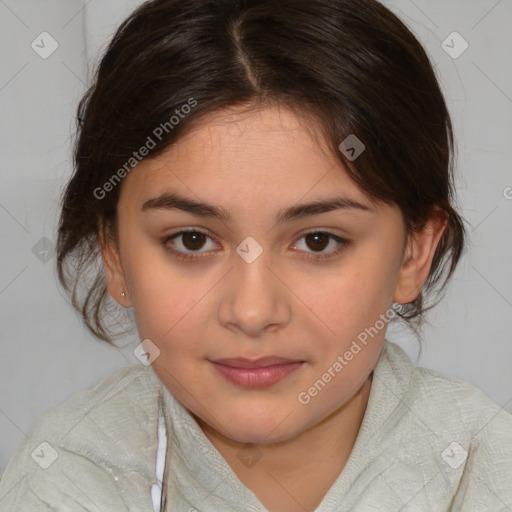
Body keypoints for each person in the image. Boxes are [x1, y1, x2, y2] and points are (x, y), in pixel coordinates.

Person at [1, 0, 511, 510]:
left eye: (318, 241)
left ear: (413, 254)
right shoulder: (64, 477)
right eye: (192, 240)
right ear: (113, 254)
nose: (251, 312)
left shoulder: (486, 470)